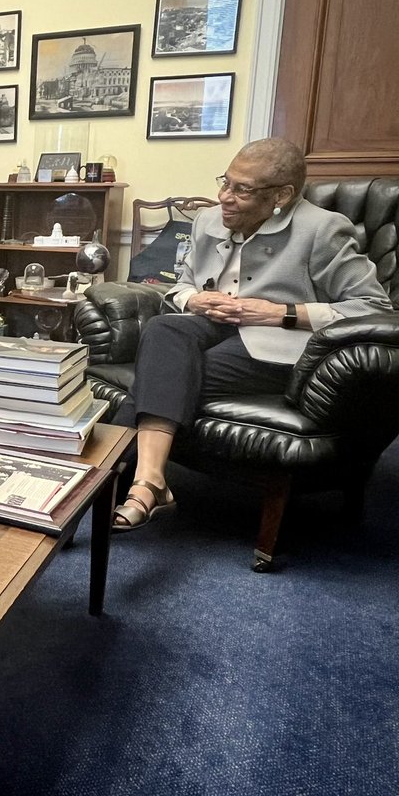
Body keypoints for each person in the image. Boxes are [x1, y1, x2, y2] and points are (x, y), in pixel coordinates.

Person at [112, 138, 391, 530]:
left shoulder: (322, 230)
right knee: (164, 329)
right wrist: (196, 300)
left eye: (241, 189)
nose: (224, 196)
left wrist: (282, 312)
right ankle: (150, 481)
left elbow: (373, 307)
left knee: (167, 375)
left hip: (275, 344)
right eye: (225, 182)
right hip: (213, 324)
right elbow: (181, 285)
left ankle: (110, 479)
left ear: (282, 195)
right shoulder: (209, 221)